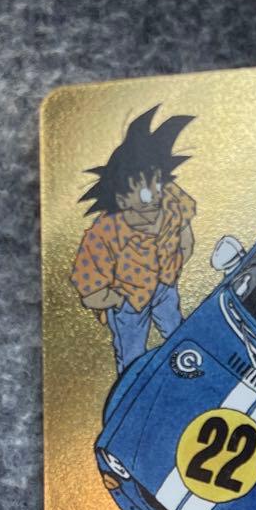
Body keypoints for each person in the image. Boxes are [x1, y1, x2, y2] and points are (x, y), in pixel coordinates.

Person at [70, 106, 196, 374]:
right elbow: (89, 286)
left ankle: (186, 375)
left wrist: (182, 250)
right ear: (121, 197)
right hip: (129, 302)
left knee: (178, 333)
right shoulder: (105, 233)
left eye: (157, 186)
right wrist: (114, 300)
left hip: (165, 286)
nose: (155, 197)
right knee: (132, 357)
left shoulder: (170, 200)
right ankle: (133, 390)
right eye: (144, 193)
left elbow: (183, 221)